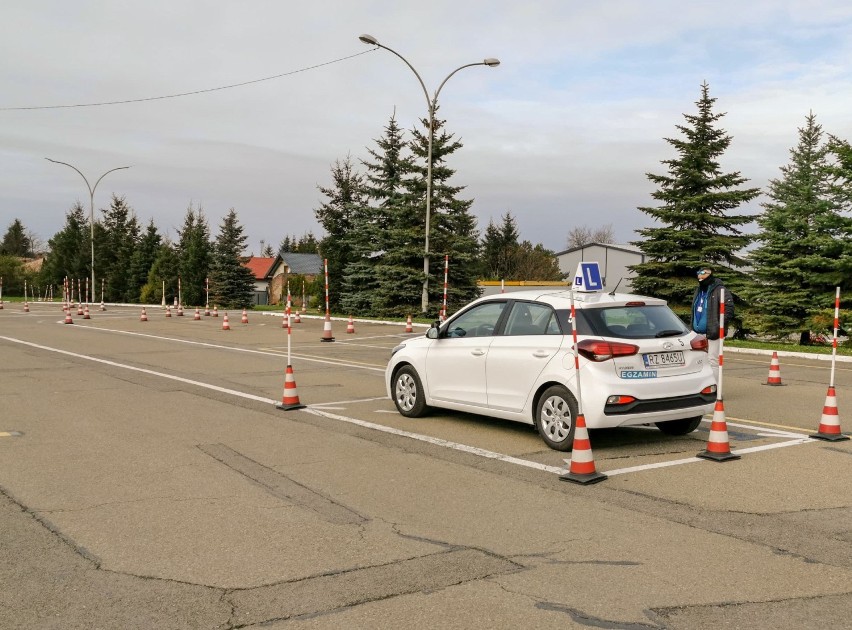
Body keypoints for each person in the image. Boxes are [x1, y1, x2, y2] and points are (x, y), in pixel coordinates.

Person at [691, 266, 733, 383]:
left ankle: (715, 389)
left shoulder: (719, 290)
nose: (700, 275)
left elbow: (729, 309)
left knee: (712, 360)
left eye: (703, 273)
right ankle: (702, 387)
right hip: (697, 333)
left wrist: (719, 324)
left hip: (714, 332)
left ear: (710, 274)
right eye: (698, 273)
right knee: (699, 361)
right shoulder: (698, 290)